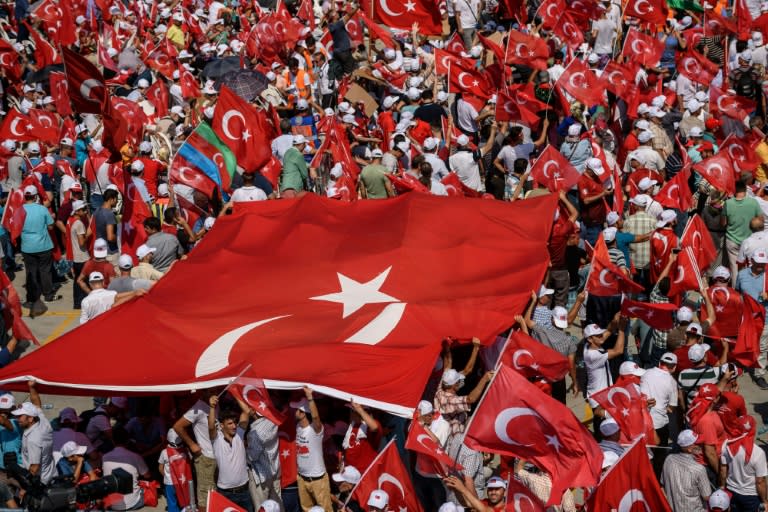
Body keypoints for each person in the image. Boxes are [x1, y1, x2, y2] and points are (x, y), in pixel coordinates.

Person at [173, 390, 218, 512]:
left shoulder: (215, 405)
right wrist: (192, 444)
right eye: (212, 389)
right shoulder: (198, 408)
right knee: (205, 495)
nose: (217, 391)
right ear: (203, 392)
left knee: (216, 493)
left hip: (218, 456)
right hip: (206, 458)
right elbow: (178, 426)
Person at [208, 395, 253, 512]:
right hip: (225, 493)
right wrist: (212, 407)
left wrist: (235, 394)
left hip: (244, 491)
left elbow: (246, 412)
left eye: (234, 423)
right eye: (230, 424)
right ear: (222, 426)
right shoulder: (216, 440)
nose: (234, 426)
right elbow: (211, 427)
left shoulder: (239, 434)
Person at [291, 386, 333, 511]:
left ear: (303, 413)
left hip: (318, 480)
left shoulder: (315, 430)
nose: (294, 412)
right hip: (302, 478)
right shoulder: (298, 426)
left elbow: (315, 418)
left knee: (325, 510)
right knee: (306, 509)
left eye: (297, 410)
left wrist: (310, 398)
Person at [20, 185, 58, 316]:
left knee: (31, 271)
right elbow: (51, 227)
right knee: (45, 271)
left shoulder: (20, 210)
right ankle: (48, 295)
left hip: (27, 246)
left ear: (25, 196)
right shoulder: (42, 209)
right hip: (43, 245)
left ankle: (32, 297)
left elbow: (15, 227)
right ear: (36, 196)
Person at [719, 416, 768, 511]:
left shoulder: (727, 445)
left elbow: (723, 470)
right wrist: (765, 501)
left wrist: (722, 487)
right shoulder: (758, 453)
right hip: (751, 497)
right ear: (753, 429)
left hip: (731, 491)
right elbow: (760, 481)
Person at [102, 427, 152, 511]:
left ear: (113, 441)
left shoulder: (105, 457)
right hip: (134, 503)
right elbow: (147, 475)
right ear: (127, 441)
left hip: (112, 504)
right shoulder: (135, 456)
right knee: (146, 485)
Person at [13, 382, 54, 484]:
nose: (17, 419)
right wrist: (31, 387)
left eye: (20, 416)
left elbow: (34, 468)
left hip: (39, 483)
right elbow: (36, 404)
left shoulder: (33, 440)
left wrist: (24, 487)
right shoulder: (42, 422)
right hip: (50, 475)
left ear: (30, 418)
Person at [661, 430, 711, 511]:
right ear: (689, 449)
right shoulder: (699, 469)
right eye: (697, 443)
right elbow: (707, 496)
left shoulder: (668, 459)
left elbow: (663, 485)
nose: (701, 445)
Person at [79, 272, 144, 324]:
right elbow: (119, 296)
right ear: (103, 282)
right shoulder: (112, 294)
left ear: (90, 284)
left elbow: (83, 323)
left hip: (94, 331)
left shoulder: (85, 301)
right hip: (111, 326)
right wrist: (135, 293)